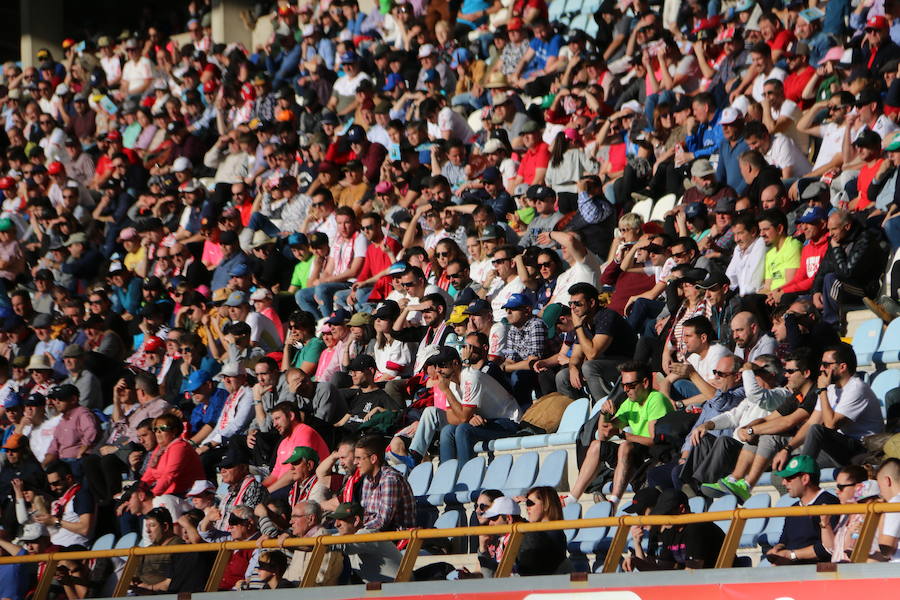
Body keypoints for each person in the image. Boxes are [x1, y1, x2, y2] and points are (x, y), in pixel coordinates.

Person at [565, 361, 673, 506]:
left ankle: (614, 501)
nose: (626, 390)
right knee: (597, 446)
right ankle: (572, 498)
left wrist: (623, 434)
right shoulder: (630, 403)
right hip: (636, 453)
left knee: (625, 446)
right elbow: (603, 436)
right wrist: (604, 413)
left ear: (645, 383)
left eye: (631, 385)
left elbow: (654, 440)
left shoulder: (656, 400)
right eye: (624, 386)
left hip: (655, 454)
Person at [765, 454, 838, 565]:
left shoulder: (829, 504)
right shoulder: (794, 508)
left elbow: (828, 547)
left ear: (805, 479)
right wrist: (778, 549)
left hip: (820, 571)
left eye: (789, 478)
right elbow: (784, 540)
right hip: (795, 571)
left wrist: (791, 555)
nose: (783, 483)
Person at [480, 495, 569, 576]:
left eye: (493, 518)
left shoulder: (529, 538)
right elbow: (493, 580)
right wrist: (483, 550)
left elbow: (529, 577)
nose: (490, 523)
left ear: (508, 518)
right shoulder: (497, 540)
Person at [328, 501, 402, 583]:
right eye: (335, 520)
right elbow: (331, 540)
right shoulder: (349, 535)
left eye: (341, 519)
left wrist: (317, 545)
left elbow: (341, 544)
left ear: (356, 520)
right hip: (390, 589)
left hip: (402, 591)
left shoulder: (366, 534)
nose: (336, 524)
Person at [354, 435, 415, 532]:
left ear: (373, 459)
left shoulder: (390, 479)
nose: (355, 462)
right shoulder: (367, 479)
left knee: (352, 538)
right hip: (374, 534)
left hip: (396, 537)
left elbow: (383, 521)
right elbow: (366, 515)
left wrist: (358, 529)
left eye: (359, 458)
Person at [819, 466, 881, 562]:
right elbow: (832, 549)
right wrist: (825, 523)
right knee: (817, 570)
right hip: (839, 570)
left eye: (840, 487)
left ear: (857, 487)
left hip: (855, 571)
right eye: (836, 487)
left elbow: (850, 549)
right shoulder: (845, 514)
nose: (836, 491)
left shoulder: (870, 515)